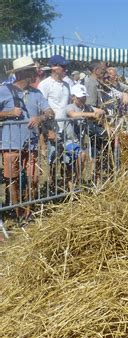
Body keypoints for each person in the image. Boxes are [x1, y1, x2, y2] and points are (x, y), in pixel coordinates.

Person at [0, 56, 55, 222]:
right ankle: (16, 212)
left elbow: (50, 112)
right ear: (22, 72)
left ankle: (28, 210)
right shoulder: (4, 90)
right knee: (12, 180)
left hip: (31, 144)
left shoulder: (36, 93)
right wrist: (9, 113)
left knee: (34, 178)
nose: (35, 73)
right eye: (32, 70)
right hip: (10, 144)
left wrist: (40, 118)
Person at [65, 84, 105, 185]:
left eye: (84, 98)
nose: (82, 100)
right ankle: (77, 180)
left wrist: (100, 113)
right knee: (81, 156)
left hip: (80, 142)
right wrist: (91, 114)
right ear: (73, 97)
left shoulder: (86, 107)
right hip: (68, 141)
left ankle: (78, 181)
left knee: (82, 158)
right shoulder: (70, 107)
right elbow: (73, 114)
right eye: (80, 98)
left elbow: (101, 111)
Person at [38, 55, 71, 132]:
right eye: (63, 66)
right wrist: (48, 131)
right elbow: (41, 108)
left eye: (66, 66)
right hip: (51, 129)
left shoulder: (67, 85)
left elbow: (68, 104)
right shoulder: (44, 84)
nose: (66, 69)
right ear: (53, 67)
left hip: (66, 127)